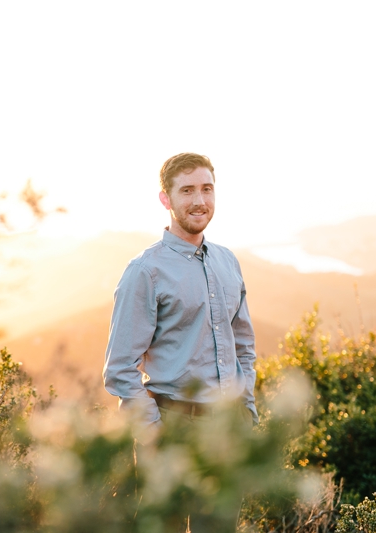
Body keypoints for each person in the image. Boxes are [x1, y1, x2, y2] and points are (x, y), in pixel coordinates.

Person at [103, 152, 258, 531]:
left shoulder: (227, 262)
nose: (199, 200)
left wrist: (247, 411)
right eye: (186, 190)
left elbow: (244, 348)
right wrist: (155, 430)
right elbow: (119, 370)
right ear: (165, 198)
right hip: (172, 425)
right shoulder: (145, 271)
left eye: (206, 189)